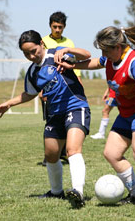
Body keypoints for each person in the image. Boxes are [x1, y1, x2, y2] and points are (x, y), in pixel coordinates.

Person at [55, 26, 135, 211]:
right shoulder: (109, 58)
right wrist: (73, 66)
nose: (103, 54)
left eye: (106, 50)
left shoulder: (134, 61)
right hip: (127, 113)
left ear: (117, 46)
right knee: (111, 154)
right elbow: (94, 63)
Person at [0, 30, 91, 209]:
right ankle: (56, 192)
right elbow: (29, 93)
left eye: (33, 51)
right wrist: (9, 103)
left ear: (42, 45)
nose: (31, 56)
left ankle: (78, 192)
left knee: (72, 149)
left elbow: (87, 55)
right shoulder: (32, 73)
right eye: (26, 53)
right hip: (54, 115)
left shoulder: (57, 53)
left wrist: (70, 50)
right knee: (51, 155)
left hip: (76, 106)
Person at [41, 11, 82, 166]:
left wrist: (78, 80)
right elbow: (40, 67)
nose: (57, 30)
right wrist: (41, 89)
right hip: (49, 87)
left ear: (64, 27)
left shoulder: (69, 43)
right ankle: (49, 155)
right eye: (55, 27)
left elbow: (74, 64)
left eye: (60, 27)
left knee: (67, 118)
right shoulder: (43, 42)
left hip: (67, 86)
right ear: (50, 26)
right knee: (50, 120)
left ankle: (64, 153)